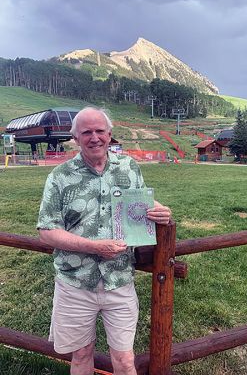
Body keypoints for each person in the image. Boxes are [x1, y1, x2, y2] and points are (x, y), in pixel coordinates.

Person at [37, 107, 171, 375]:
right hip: (75, 283)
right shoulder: (60, 177)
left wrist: (160, 210)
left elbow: (137, 204)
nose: (94, 137)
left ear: (110, 135)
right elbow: (47, 230)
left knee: (124, 360)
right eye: (86, 132)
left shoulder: (129, 167)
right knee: (81, 355)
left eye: (100, 131)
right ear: (75, 138)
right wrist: (94, 247)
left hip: (119, 281)